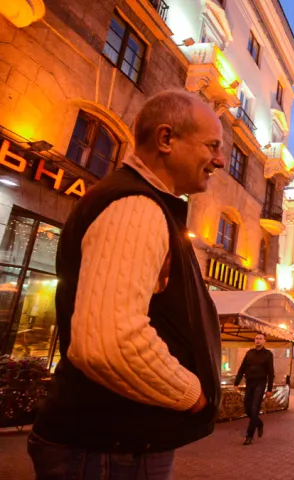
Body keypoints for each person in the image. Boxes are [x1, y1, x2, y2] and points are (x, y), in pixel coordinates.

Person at [29, 90, 225, 479]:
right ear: (166, 139)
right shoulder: (136, 205)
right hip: (108, 449)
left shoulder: (146, 205)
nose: (219, 160)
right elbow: (110, 343)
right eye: (212, 146)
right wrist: (192, 394)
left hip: (113, 446)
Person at [234, 332, 275, 445]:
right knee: (247, 409)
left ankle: (249, 436)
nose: (258, 340)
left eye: (260, 339)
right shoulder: (249, 353)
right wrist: (236, 383)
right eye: (256, 338)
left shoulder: (268, 354)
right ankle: (259, 423)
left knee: (254, 408)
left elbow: (271, 373)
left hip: (260, 384)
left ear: (264, 341)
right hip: (249, 383)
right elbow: (241, 369)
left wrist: (269, 389)